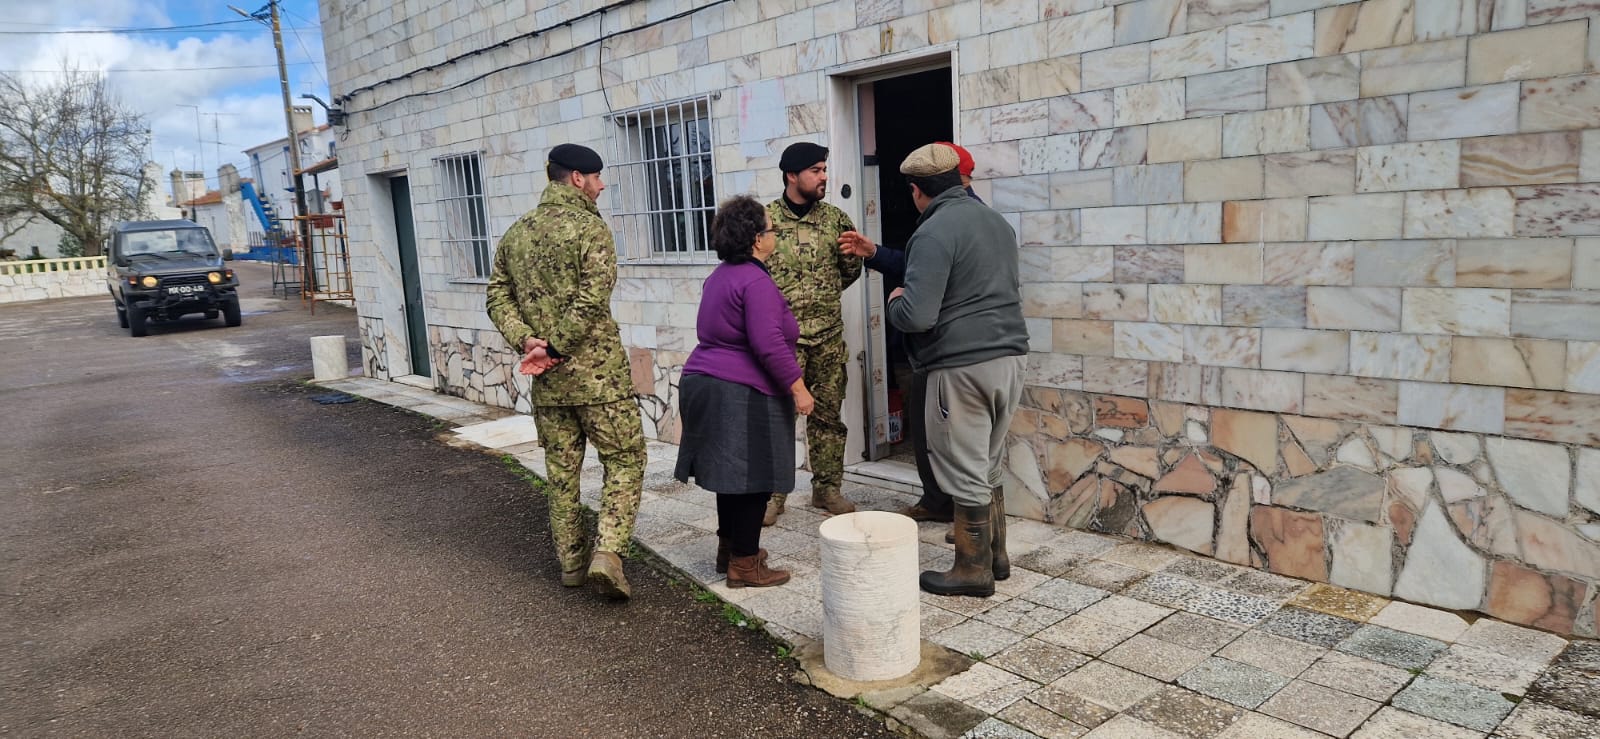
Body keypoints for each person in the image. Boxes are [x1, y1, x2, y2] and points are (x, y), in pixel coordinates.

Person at [486, 143, 646, 600]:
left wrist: (527, 341)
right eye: (597, 177)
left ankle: (571, 564)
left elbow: (496, 296)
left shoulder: (517, 232)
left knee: (561, 472)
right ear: (577, 178)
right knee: (625, 458)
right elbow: (593, 298)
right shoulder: (591, 229)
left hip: (549, 384)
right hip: (599, 379)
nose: (601, 185)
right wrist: (554, 346)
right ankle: (608, 553)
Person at [868, 143, 1028, 597]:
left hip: (962, 365)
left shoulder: (933, 232)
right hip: (1010, 357)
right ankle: (996, 555)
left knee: (962, 466)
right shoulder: (995, 222)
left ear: (917, 191)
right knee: (988, 461)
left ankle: (971, 570)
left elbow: (918, 315)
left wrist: (895, 301)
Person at [840, 141, 982, 527]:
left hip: (949, 352)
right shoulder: (972, 221)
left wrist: (895, 304)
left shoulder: (946, 226)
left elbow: (917, 308)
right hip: (961, 352)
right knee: (934, 434)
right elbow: (917, 265)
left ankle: (970, 531)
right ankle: (942, 504)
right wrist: (875, 253)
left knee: (953, 441)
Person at [674, 195, 812, 588]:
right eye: (771, 228)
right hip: (740, 389)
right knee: (755, 477)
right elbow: (768, 343)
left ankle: (731, 551)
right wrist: (798, 388)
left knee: (730, 475)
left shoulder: (719, 276)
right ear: (756, 239)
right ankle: (745, 565)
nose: (775, 234)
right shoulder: (756, 281)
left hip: (703, 381)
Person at [761, 142, 864, 525]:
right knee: (778, 418)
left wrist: (820, 298)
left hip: (828, 339)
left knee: (828, 416)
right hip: (782, 343)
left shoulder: (836, 220)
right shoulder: (766, 221)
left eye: (825, 169)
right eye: (816, 171)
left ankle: (827, 488)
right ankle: (773, 495)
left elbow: (850, 269)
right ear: (792, 175)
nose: (824, 177)